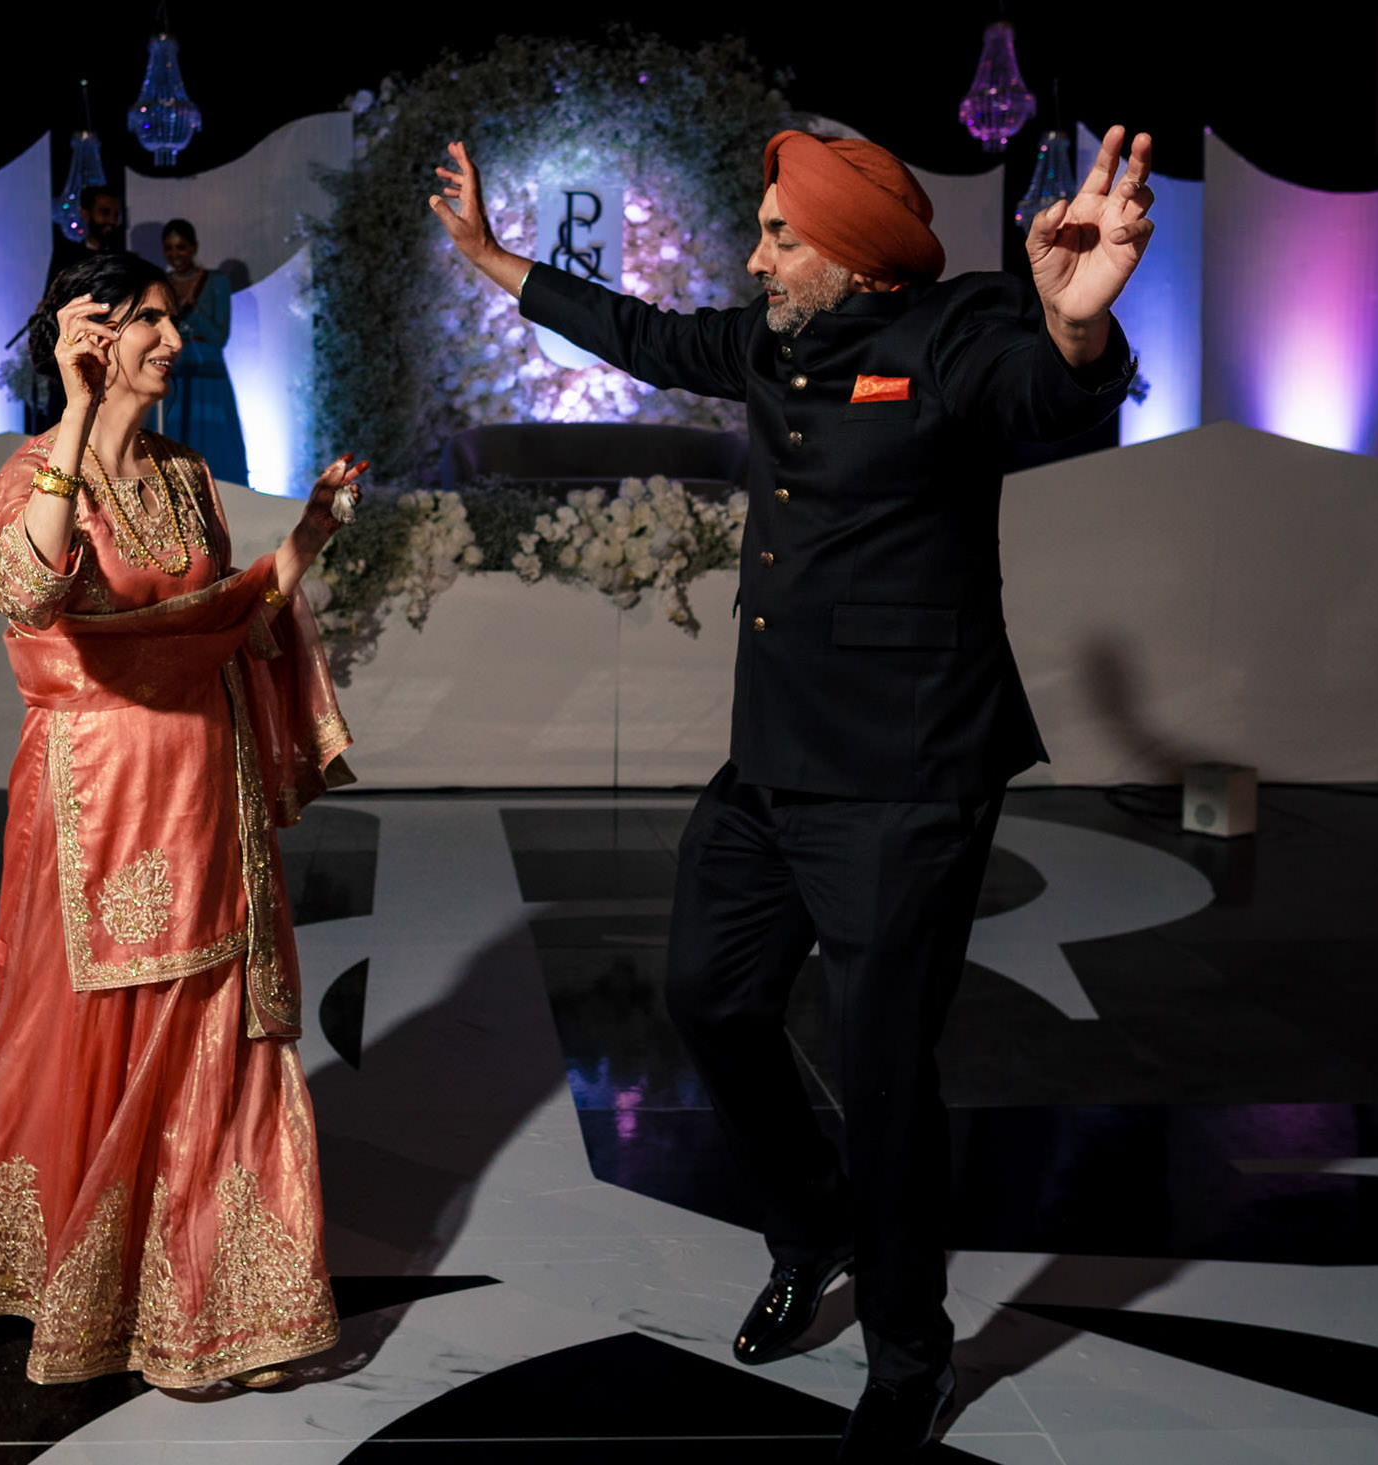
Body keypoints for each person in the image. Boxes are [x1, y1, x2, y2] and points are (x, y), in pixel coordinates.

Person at [432, 126, 1154, 1459]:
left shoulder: (960, 331)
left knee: (885, 1076)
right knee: (711, 996)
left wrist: (1079, 334)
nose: (755, 253)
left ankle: (910, 1355)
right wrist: (491, 259)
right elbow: (644, 335)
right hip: (773, 759)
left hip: (908, 776)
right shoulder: (771, 342)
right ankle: (810, 1223)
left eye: (778, 234)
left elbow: (1047, 396)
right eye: (762, 228)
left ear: (853, 259)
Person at [0, 248, 366, 1389]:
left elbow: (227, 613)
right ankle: (88, 1290)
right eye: (149, 324)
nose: (174, 342)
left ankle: (221, 1300)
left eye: (173, 322)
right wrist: (73, 417)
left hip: (202, 786)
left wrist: (310, 537)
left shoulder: (186, 472)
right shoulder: (36, 471)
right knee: (92, 1043)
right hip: (92, 798)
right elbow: (23, 596)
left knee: (215, 1043)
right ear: (87, 337)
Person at [158, 217, 252, 486]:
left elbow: (220, 337)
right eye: (169, 248)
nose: (175, 255)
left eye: (182, 247)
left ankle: (225, 497)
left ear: (195, 247)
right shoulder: (160, 284)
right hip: (174, 368)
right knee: (175, 431)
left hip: (208, 373)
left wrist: (192, 307)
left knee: (215, 440)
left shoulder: (216, 281)